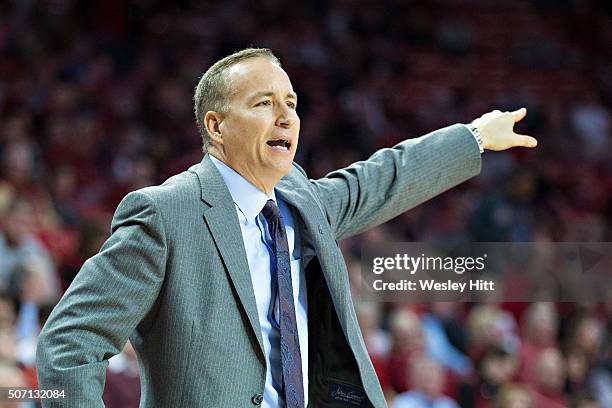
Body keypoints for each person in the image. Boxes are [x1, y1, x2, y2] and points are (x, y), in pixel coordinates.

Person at [36, 48, 537, 408]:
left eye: (292, 104)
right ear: (215, 126)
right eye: (263, 104)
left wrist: (473, 137)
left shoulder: (300, 198)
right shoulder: (165, 214)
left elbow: (382, 179)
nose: (286, 117)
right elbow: (69, 343)